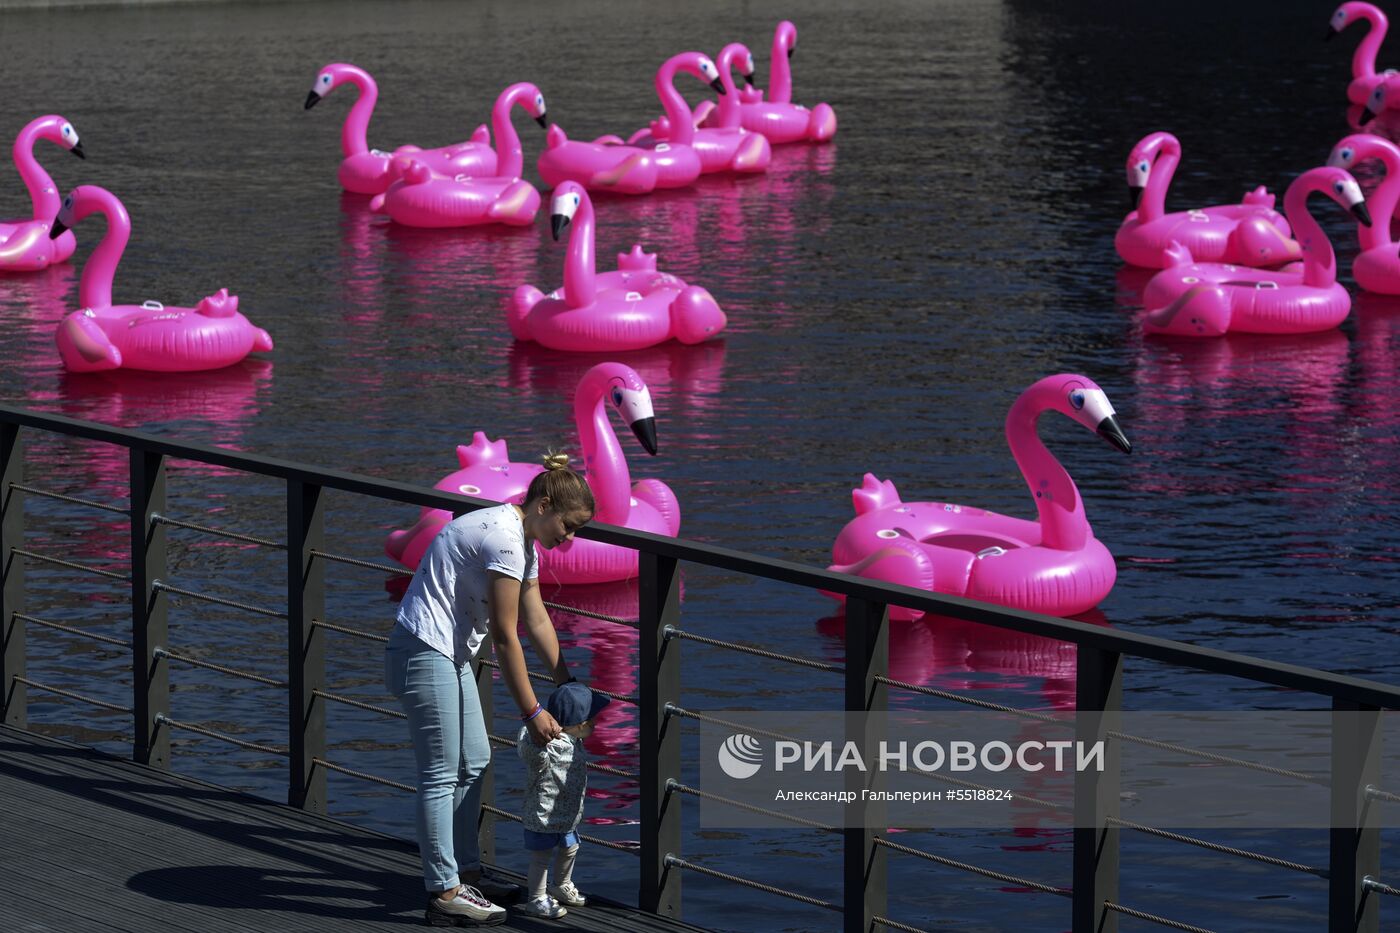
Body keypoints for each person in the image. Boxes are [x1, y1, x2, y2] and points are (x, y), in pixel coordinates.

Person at [385, 453, 594, 927]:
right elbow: (504, 635)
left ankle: (465, 872)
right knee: (440, 774)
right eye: (570, 525)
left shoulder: (525, 541)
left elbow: (536, 618)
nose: (571, 537)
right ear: (544, 506)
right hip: (422, 651)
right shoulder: (503, 538)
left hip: (449, 654)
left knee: (474, 760)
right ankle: (444, 889)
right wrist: (532, 711)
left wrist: (567, 682)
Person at [515, 680, 610, 919]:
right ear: (579, 725)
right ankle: (536, 898)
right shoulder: (544, 747)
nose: (596, 723)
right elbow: (527, 750)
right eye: (592, 720)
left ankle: (561, 884)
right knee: (541, 858)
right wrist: (530, 725)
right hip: (544, 816)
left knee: (571, 848)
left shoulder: (575, 741)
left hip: (568, 816)